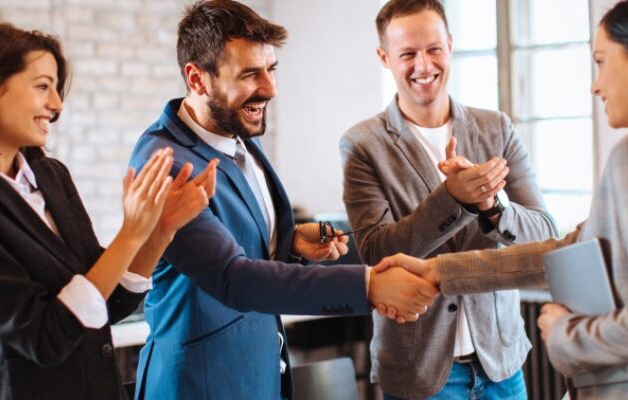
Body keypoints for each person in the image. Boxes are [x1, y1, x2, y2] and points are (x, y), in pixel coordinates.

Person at [377, 0, 628, 398]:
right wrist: (440, 273)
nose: (595, 84)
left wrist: (565, 333)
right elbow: (571, 251)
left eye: (602, 62)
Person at [126, 1, 441, 398]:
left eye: (271, 70)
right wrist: (369, 285)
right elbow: (232, 277)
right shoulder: (166, 162)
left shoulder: (238, 137)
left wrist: (287, 241)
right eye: (250, 74)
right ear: (197, 78)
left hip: (259, 378)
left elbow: (241, 245)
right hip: (199, 385)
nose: (270, 89)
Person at [0, 23, 216, 400]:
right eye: (43, 86)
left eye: (56, 89)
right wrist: (131, 234)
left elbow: (106, 304)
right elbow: (43, 339)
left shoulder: (51, 176)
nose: (57, 104)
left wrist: (160, 232)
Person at [339, 0, 558, 398]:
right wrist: (452, 200)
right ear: (384, 57)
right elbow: (376, 254)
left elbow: (545, 235)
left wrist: (493, 208)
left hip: (502, 366)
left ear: (451, 45)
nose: (424, 65)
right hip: (420, 374)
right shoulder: (362, 145)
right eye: (407, 54)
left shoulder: (496, 128)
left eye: (433, 49)